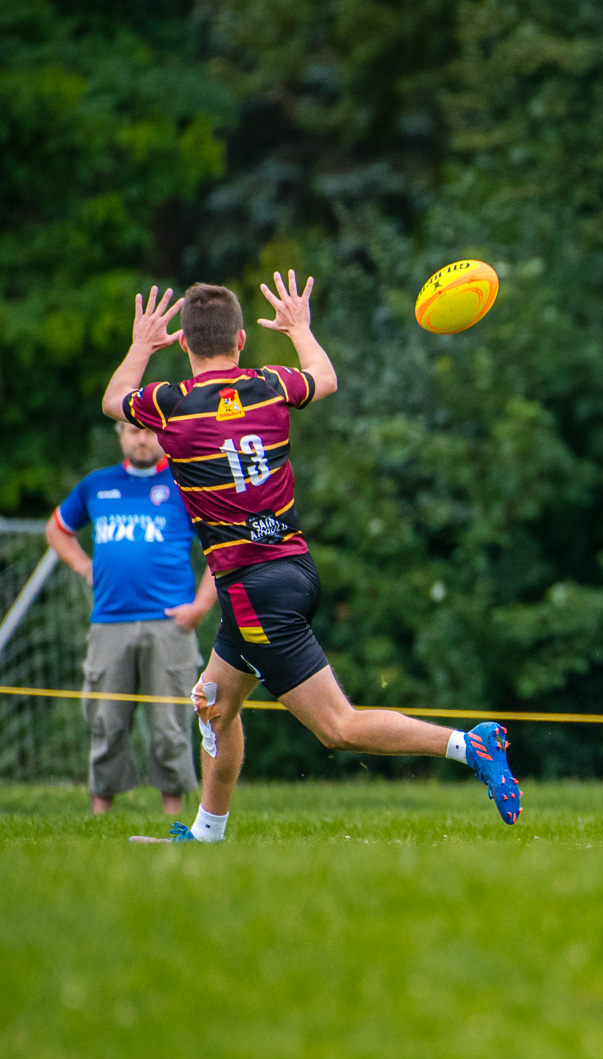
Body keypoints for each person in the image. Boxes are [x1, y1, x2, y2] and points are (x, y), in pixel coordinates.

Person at [99, 277, 522, 842]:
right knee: (217, 706)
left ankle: (468, 745)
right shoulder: (271, 385)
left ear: (183, 346)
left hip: (252, 589)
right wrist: (300, 328)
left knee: (337, 728)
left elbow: (112, 399)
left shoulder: (170, 405)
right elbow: (326, 377)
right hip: (291, 571)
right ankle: (206, 832)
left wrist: (140, 345)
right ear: (243, 339)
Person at [46, 421, 217, 815]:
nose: (141, 439)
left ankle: (173, 815)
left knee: (170, 726)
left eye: (149, 431)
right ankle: (99, 813)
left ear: (163, 435)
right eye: (132, 431)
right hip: (109, 622)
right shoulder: (96, 485)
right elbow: (58, 530)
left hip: (170, 624)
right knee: (106, 721)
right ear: (120, 435)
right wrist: (85, 567)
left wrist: (201, 606)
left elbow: (222, 549)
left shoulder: (185, 485)